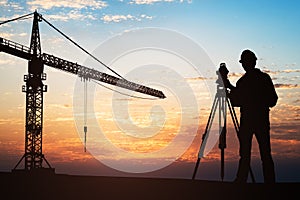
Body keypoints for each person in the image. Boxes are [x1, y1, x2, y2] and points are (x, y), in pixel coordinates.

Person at [225, 49, 278, 183]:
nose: (244, 65)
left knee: (247, 154)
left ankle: (242, 180)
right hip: (260, 121)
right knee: (263, 153)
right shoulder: (262, 79)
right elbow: (272, 100)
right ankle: (269, 183)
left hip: (249, 121)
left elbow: (237, 101)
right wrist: (229, 87)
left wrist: (231, 89)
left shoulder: (243, 82)